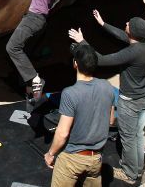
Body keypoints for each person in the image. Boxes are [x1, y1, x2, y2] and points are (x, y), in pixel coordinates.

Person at [68, 12, 145, 184]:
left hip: (130, 101)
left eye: (130, 23)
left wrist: (82, 41)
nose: (127, 22)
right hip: (143, 96)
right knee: (137, 134)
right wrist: (103, 24)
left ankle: (130, 174)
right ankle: (137, 168)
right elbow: (125, 36)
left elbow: (101, 60)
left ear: (134, 32)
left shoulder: (132, 52)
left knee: (128, 137)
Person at [6, 0, 79, 101]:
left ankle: (34, 80)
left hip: (34, 18)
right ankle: (29, 90)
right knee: (22, 50)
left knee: (12, 48)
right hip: (39, 20)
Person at [44, 43, 115, 187]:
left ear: (75, 64)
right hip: (96, 159)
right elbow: (111, 120)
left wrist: (50, 154)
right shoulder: (107, 86)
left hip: (72, 159)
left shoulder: (70, 93)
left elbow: (63, 133)